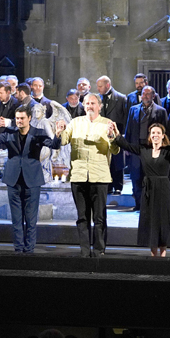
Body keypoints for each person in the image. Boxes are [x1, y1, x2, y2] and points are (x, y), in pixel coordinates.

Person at [0, 106, 63, 253]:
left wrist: (57, 134)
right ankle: (18, 249)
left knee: (31, 219)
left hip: (32, 181)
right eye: (17, 118)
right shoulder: (9, 132)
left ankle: (29, 249)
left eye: (22, 118)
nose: (19, 121)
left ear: (29, 118)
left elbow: (54, 145)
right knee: (16, 219)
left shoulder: (38, 133)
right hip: (13, 180)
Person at [109, 122, 170, 256]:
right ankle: (153, 255)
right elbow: (126, 145)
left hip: (163, 189)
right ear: (150, 136)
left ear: (163, 136)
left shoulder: (168, 151)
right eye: (153, 133)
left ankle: (163, 255)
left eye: (158, 133)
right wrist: (116, 133)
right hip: (149, 190)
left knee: (163, 220)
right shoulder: (144, 150)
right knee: (151, 220)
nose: (155, 135)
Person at [60, 93, 120, 257]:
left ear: (99, 106)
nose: (89, 106)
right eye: (87, 103)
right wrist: (60, 131)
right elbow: (63, 141)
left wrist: (112, 136)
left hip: (99, 176)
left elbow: (115, 150)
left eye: (93, 103)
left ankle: (99, 251)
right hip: (78, 176)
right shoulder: (75, 122)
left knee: (99, 217)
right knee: (82, 217)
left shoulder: (107, 123)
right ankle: (85, 252)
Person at [124, 86, 168, 211]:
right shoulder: (133, 109)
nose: (145, 96)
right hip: (136, 147)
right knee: (136, 177)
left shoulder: (161, 111)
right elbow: (128, 128)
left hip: (151, 148)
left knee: (150, 177)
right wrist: (126, 146)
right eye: (143, 94)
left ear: (153, 96)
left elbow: (165, 130)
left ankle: (151, 204)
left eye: (148, 94)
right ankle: (139, 204)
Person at [96, 75, 128, 195]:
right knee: (104, 161)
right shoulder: (97, 98)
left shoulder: (121, 98)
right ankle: (107, 186)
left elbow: (125, 117)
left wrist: (122, 135)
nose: (98, 88)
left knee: (117, 161)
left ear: (108, 85)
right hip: (101, 135)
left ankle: (118, 186)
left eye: (100, 86)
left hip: (116, 134)